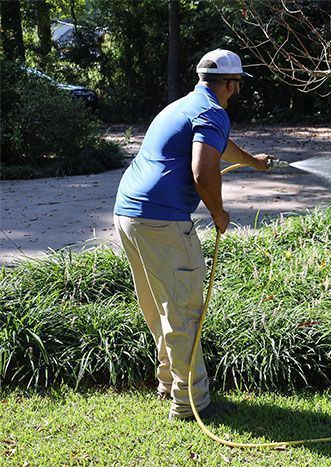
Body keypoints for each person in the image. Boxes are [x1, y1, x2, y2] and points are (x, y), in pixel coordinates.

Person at [113, 49, 273, 420]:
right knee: (184, 310)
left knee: (158, 305)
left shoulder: (183, 105)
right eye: (236, 87)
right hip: (162, 221)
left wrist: (252, 162)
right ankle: (190, 402)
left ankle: (169, 381)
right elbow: (203, 170)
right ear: (232, 84)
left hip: (129, 213)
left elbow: (217, 147)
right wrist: (219, 214)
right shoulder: (213, 112)